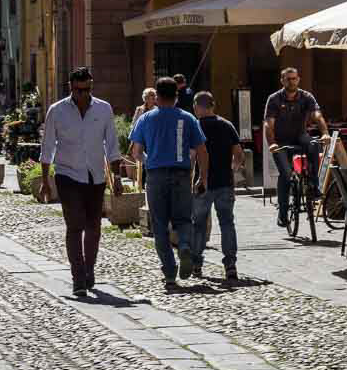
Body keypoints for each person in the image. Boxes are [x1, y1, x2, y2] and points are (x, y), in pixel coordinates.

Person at [39, 67, 122, 296]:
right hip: (68, 175)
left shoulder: (103, 109)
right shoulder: (57, 111)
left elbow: (112, 145)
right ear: (70, 88)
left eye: (87, 90)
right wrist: (45, 180)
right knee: (75, 226)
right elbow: (48, 147)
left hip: (95, 176)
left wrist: (116, 178)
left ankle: (89, 269)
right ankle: (78, 277)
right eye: (79, 90)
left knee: (94, 227)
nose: (83, 95)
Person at [129, 77, 207, 288]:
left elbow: (135, 152)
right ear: (176, 95)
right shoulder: (188, 118)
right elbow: (201, 150)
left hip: (155, 176)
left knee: (160, 225)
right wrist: (203, 177)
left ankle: (170, 273)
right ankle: (183, 245)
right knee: (183, 220)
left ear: (157, 96)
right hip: (181, 175)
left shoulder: (145, 119)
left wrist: (149, 161)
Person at [264, 66, 329, 229]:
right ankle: (283, 212)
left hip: (300, 136)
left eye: (294, 78)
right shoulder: (274, 99)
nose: (291, 81)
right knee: (286, 174)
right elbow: (268, 123)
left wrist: (325, 133)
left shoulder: (306, 97)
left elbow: (317, 115)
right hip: (280, 141)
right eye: (288, 79)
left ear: (298, 79)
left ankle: (314, 184)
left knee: (313, 145)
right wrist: (271, 142)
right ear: (282, 80)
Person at [190, 91, 243, 281]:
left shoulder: (195, 126)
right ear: (213, 106)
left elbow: (191, 157)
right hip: (225, 183)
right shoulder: (227, 125)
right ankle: (230, 265)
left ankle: (196, 264)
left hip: (202, 184)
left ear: (197, 107)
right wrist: (231, 172)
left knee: (198, 225)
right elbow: (239, 155)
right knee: (227, 223)